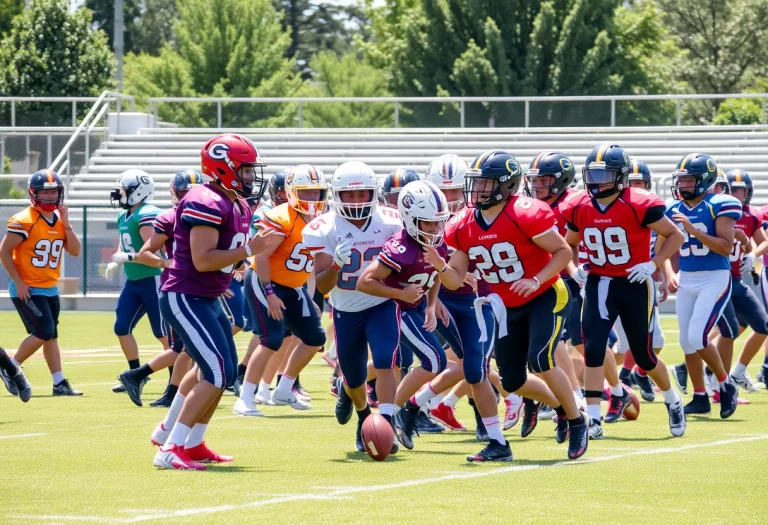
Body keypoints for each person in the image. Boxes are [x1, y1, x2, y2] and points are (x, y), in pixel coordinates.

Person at [425, 150, 588, 462]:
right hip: (507, 304)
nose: (478, 189)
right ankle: (556, 407)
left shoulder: (524, 212)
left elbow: (563, 252)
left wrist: (535, 279)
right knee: (511, 380)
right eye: (476, 182)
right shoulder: (463, 224)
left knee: (541, 358)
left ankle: (578, 419)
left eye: (485, 183)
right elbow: (455, 279)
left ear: (505, 185)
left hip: (545, 294)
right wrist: (439, 266)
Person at [153, 133, 275, 470]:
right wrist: (250, 251)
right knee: (217, 373)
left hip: (204, 295)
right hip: (185, 296)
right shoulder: (204, 199)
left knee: (224, 372)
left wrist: (229, 271)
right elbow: (203, 258)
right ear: (223, 168)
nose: (250, 177)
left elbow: (221, 258)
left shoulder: (236, 202)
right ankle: (170, 446)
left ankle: (191, 443)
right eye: (245, 170)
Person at [561, 145, 685, 439]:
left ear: (620, 177)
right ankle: (593, 418)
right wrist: (573, 268)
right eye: (593, 174)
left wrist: (653, 263)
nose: (597, 181)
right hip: (599, 282)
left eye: (604, 175)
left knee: (642, 356)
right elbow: (568, 245)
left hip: (634, 283)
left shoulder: (639, 203)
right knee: (593, 348)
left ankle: (672, 399)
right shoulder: (580, 206)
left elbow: (675, 235)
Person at [303, 160, 402, 452]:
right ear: (338, 195)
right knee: (354, 375)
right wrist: (336, 262)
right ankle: (362, 418)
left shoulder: (391, 220)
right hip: (345, 309)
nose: (357, 200)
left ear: (374, 193)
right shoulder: (323, 228)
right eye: (350, 195)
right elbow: (322, 286)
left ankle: (386, 421)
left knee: (387, 359)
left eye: (363, 194)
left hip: (381, 302)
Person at [357, 179, 451, 451]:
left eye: (438, 222)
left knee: (401, 361)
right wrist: (401, 294)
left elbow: (434, 276)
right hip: (396, 309)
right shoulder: (401, 247)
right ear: (410, 220)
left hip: (415, 307)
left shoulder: (437, 243)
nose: (435, 229)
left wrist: (431, 305)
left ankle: (352, 383)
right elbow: (365, 282)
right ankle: (397, 410)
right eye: (429, 223)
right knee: (434, 360)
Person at [234, 164, 328, 415]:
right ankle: (245, 398)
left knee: (315, 338)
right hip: (266, 282)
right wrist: (270, 293)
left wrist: (308, 294)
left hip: (294, 287)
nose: (312, 198)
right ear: (291, 192)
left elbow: (309, 264)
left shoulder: (320, 220)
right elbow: (262, 258)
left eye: (316, 192)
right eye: (305, 192)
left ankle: (284, 388)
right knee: (271, 340)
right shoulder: (280, 217)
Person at [663, 153, 741, 418]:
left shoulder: (719, 204)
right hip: (686, 277)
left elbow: (726, 247)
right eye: (681, 180)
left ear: (704, 180)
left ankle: (725, 383)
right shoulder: (673, 209)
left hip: (714, 277)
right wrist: (668, 272)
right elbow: (665, 245)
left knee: (697, 336)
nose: (683, 185)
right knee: (686, 342)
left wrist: (695, 232)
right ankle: (699, 396)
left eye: (688, 180)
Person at [0, 169, 82, 396]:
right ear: (33, 194)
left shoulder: (59, 220)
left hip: (49, 287)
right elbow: (4, 252)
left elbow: (75, 251)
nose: (50, 197)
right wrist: (19, 281)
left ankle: (59, 382)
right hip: (27, 287)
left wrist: (66, 223)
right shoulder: (23, 220)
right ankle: (10, 367)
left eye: (53, 192)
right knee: (44, 331)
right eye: (45, 193)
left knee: (51, 334)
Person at [131, 170, 203, 408]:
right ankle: (138, 376)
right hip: (177, 287)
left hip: (199, 287)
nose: (188, 198)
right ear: (175, 193)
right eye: (184, 192)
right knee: (184, 347)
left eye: (192, 192)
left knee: (186, 348)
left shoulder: (209, 214)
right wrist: (164, 262)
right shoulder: (169, 217)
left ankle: (170, 392)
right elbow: (145, 253)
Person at [105, 169, 169, 396]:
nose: (119, 194)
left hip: (153, 279)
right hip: (134, 281)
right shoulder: (123, 216)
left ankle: (175, 383)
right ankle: (135, 376)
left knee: (163, 334)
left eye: (123, 191)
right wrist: (119, 259)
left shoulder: (147, 214)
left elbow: (151, 251)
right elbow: (127, 244)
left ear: (137, 192)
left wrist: (128, 257)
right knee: (122, 327)